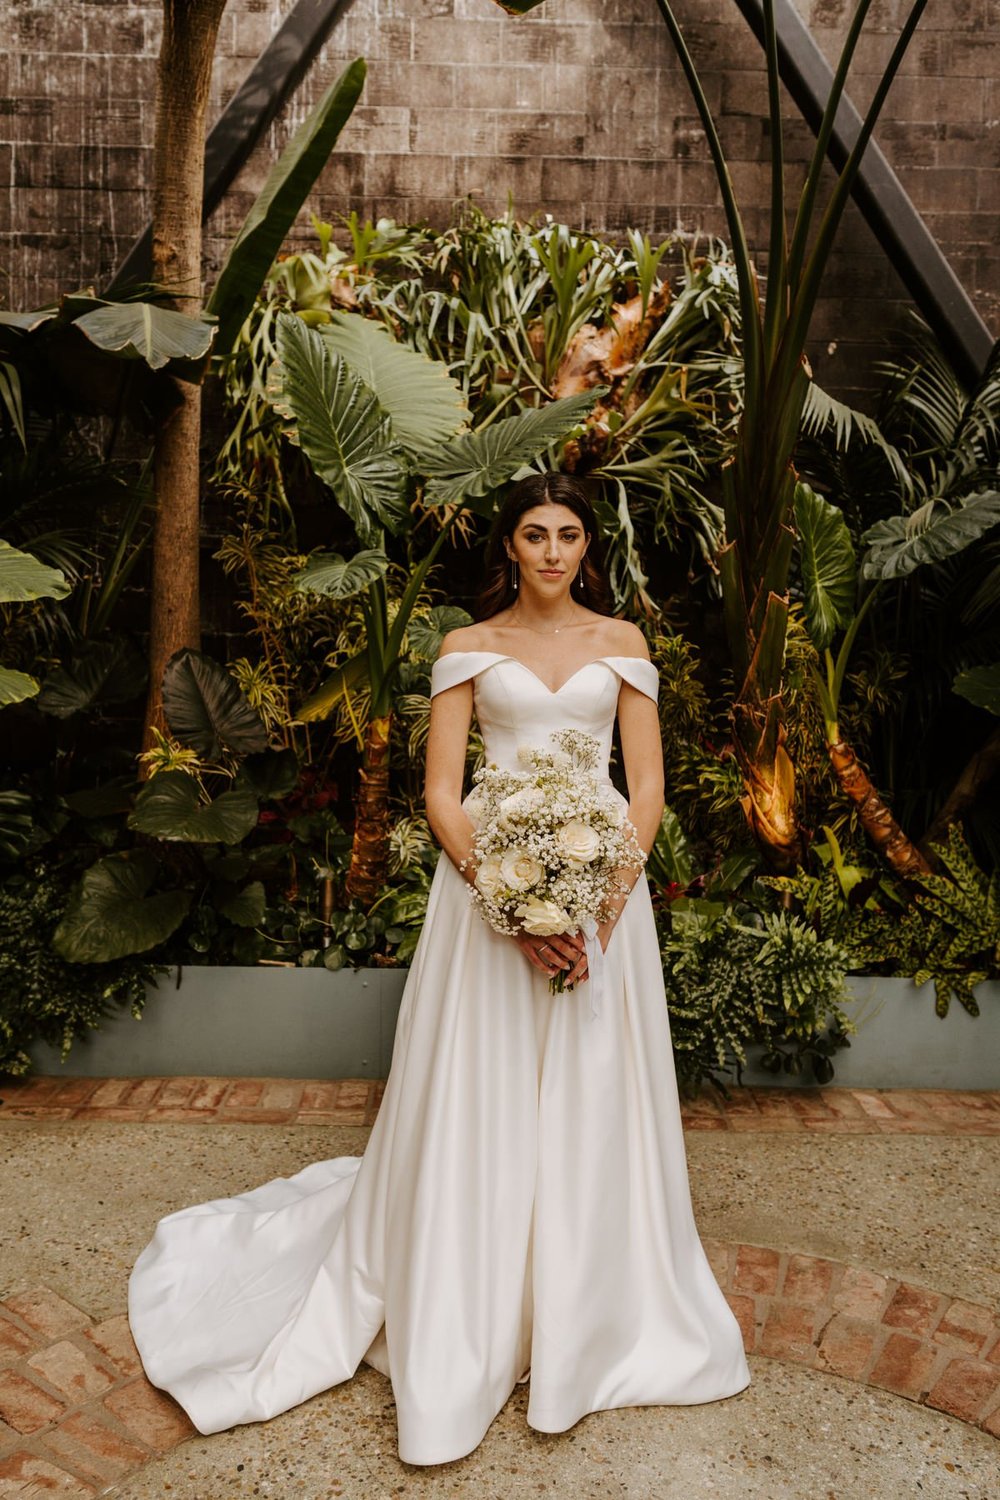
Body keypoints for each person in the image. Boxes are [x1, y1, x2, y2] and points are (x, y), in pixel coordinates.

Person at [127, 472, 750, 1468]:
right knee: (484, 1095)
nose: (551, 552)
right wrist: (508, 904)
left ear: (589, 548)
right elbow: (443, 795)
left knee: (593, 1095)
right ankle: (470, 1299)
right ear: (508, 546)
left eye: (569, 536)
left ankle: (589, 1315)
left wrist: (596, 907)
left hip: (600, 905)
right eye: (534, 535)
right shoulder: (465, 648)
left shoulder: (621, 645)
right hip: (485, 903)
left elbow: (647, 789)